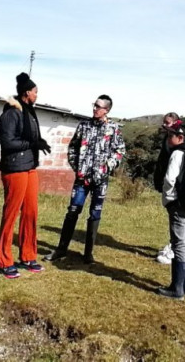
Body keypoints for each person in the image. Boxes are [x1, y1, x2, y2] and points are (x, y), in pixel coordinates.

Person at [45, 94, 125, 264]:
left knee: (95, 214)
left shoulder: (113, 128)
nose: (95, 109)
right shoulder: (84, 125)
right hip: (81, 179)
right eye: (94, 105)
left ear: (107, 110)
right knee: (73, 211)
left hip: (100, 181)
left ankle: (88, 253)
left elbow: (119, 151)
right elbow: (73, 147)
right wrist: (77, 167)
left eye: (99, 106)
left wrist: (106, 168)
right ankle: (61, 249)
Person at [0, 72, 51, 279]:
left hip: (29, 167)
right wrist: (32, 144)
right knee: (11, 214)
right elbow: (8, 142)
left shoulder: (29, 112)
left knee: (31, 213)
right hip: (14, 168)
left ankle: (28, 256)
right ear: (27, 92)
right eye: (36, 91)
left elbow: (30, 137)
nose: (37, 95)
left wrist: (40, 141)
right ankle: (4, 260)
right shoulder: (12, 113)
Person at [156, 121, 185, 299]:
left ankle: (177, 289)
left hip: (178, 205)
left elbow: (169, 180)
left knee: (178, 244)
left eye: (170, 135)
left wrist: (168, 201)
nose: (168, 138)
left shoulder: (177, 154)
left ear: (179, 137)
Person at [153, 112, 182, 265]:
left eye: (168, 123)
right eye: (164, 122)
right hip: (166, 181)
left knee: (176, 218)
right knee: (172, 216)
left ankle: (174, 249)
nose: (164, 125)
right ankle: (174, 246)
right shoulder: (168, 138)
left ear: (176, 123)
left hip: (174, 185)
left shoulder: (177, 140)